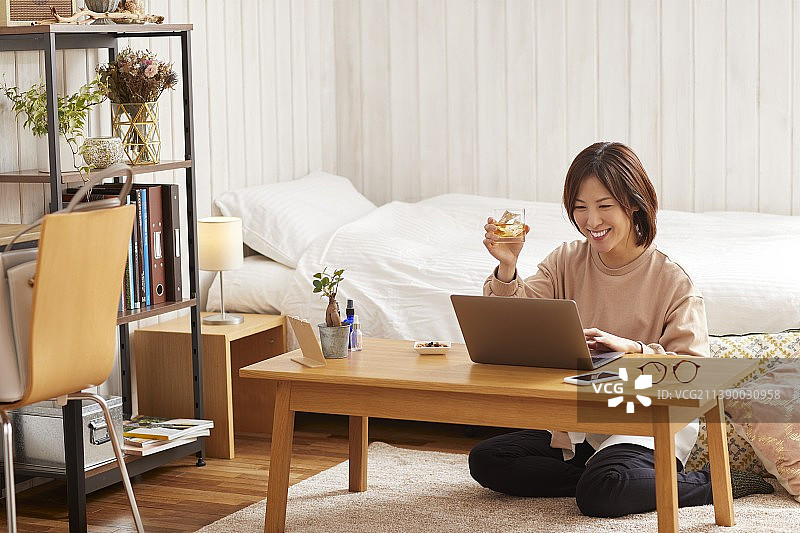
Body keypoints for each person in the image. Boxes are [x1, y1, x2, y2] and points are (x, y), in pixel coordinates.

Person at [468, 141, 773, 517]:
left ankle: (713, 481)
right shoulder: (565, 260)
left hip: (646, 420)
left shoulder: (672, 281)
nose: (591, 221)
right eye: (580, 208)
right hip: (583, 418)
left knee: (602, 494)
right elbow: (515, 323)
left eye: (604, 206)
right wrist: (508, 267)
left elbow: (695, 376)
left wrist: (633, 351)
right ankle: (602, 476)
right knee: (489, 459)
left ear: (633, 204)